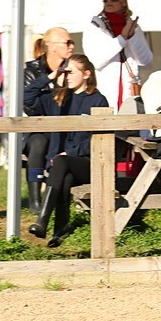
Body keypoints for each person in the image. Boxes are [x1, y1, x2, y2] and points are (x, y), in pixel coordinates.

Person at [24, 54, 108, 246]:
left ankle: (43, 220)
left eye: (71, 72)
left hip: (88, 163)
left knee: (61, 162)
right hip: (61, 166)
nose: (67, 76)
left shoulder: (98, 100)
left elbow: (98, 141)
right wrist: (50, 77)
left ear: (87, 74)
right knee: (65, 176)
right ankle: (60, 230)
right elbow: (27, 96)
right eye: (65, 72)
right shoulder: (58, 98)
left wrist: (71, 152)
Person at [22, 27, 74, 212]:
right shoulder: (32, 70)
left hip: (67, 127)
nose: (72, 46)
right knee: (38, 142)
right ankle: (35, 201)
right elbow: (29, 106)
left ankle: (60, 197)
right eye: (67, 42)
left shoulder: (74, 68)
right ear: (52, 47)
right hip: (38, 128)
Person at [84, 0, 153, 111]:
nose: (109, 1)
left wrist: (132, 37)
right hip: (105, 93)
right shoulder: (95, 26)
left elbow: (146, 61)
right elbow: (96, 61)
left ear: (123, 1)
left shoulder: (133, 27)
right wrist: (122, 38)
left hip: (129, 93)